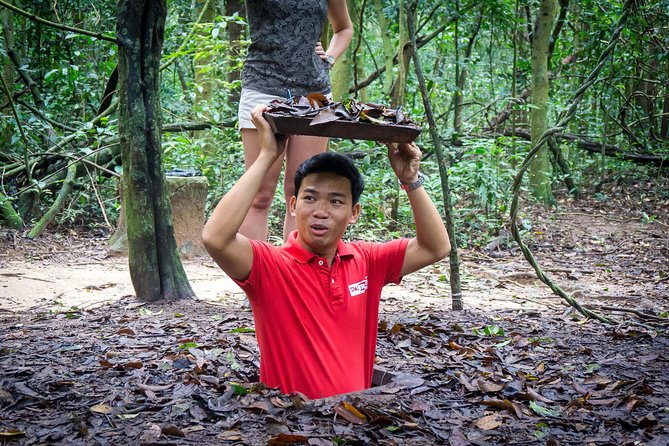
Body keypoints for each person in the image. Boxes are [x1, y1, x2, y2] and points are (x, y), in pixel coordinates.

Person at [202, 105, 451, 399]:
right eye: (310, 198)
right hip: (292, 424)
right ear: (293, 205)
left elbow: (435, 247)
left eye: (335, 202)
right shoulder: (270, 265)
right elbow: (215, 238)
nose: (321, 212)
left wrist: (410, 180)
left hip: (356, 420)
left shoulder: (368, 261)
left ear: (353, 212)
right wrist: (268, 155)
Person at [237, 0, 353, 242]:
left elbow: (344, 28)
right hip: (262, 84)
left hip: (314, 94)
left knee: (302, 190)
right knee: (259, 193)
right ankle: (253, 276)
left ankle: (296, 273)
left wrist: (328, 59)